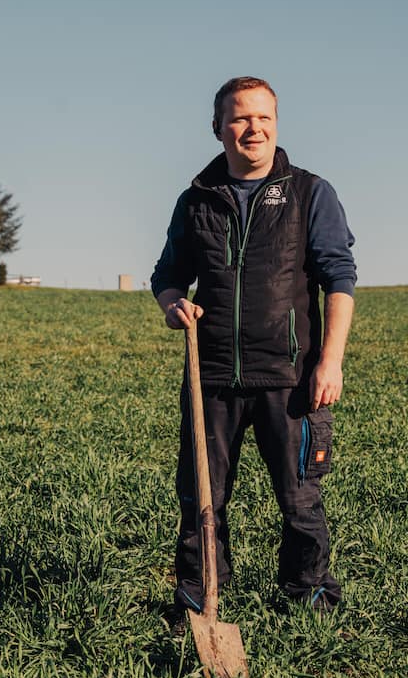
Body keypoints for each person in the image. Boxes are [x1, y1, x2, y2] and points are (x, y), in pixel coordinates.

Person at [151, 76, 356, 626]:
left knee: (300, 501)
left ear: (276, 124)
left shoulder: (310, 193)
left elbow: (338, 278)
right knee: (201, 503)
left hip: (291, 379)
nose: (253, 128)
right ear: (218, 128)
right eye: (240, 118)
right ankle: (197, 608)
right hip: (211, 377)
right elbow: (167, 277)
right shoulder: (196, 199)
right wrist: (174, 305)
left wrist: (330, 362)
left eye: (263, 117)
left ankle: (310, 605)